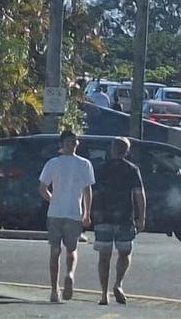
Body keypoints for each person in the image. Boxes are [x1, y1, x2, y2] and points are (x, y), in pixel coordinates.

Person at [38, 130, 95, 303]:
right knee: (72, 250)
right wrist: (87, 212)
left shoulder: (53, 163)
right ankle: (70, 274)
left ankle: (54, 290)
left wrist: (52, 199)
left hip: (55, 213)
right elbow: (87, 191)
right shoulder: (84, 164)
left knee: (54, 251)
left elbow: (42, 188)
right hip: (73, 213)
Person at [92, 137, 146, 306]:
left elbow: (93, 193)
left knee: (104, 256)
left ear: (112, 149)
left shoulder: (101, 169)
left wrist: (89, 212)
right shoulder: (132, 169)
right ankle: (118, 284)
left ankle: (103, 294)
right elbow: (139, 194)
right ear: (127, 151)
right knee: (124, 253)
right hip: (125, 217)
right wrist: (141, 217)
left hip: (103, 216)